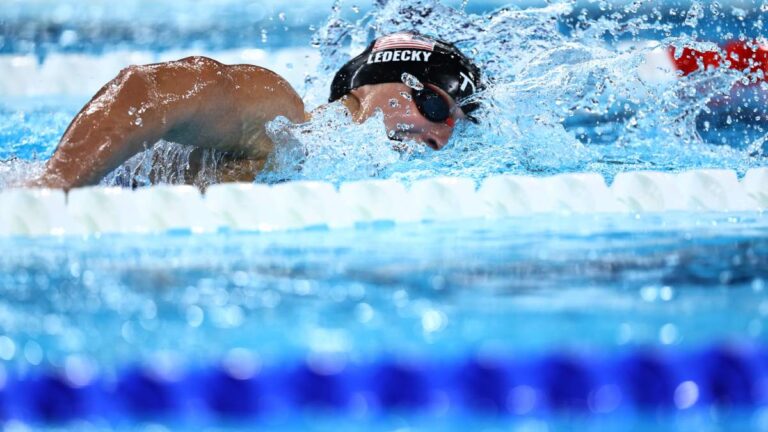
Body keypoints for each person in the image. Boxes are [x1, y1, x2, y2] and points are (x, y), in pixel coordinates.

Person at [30, 32, 484, 190]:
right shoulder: (285, 121)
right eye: (435, 106)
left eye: (451, 133)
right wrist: (52, 187)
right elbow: (143, 90)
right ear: (384, 82)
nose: (438, 139)